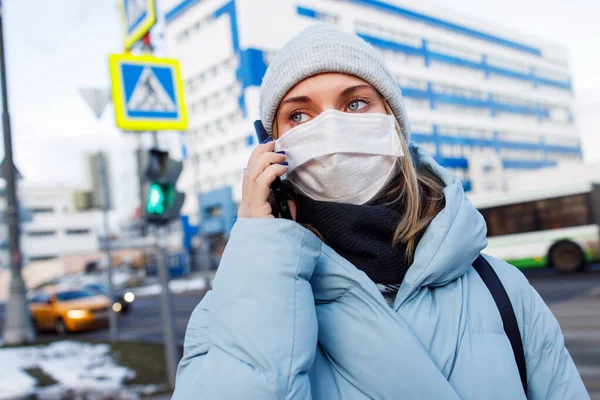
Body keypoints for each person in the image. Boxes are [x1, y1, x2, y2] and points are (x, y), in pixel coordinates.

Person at [173, 24, 588, 399]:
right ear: (270, 148)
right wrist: (261, 251)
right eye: (299, 115)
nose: (332, 128)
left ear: (394, 125)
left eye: (355, 104)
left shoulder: (504, 291)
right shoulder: (230, 310)